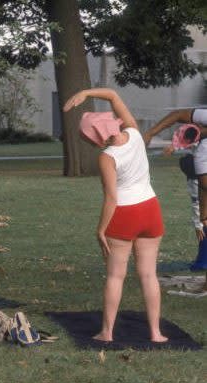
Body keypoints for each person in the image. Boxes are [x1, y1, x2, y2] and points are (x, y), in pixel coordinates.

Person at [63, 88, 167, 343]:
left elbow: (111, 197)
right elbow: (112, 95)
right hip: (151, 210)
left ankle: (107, 332)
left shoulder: (107, 157)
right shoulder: (134, 133)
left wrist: (100, 230)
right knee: (149, 274)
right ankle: (156, 333)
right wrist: (86, 93)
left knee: (115, 276)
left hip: (124, 214)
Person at [144, 109, 207, 287]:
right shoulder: (198, 143)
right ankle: (203, 257)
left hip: (199, 181)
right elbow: (180, 115)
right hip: (198, 183)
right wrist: (151, 133)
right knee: (201, 218)